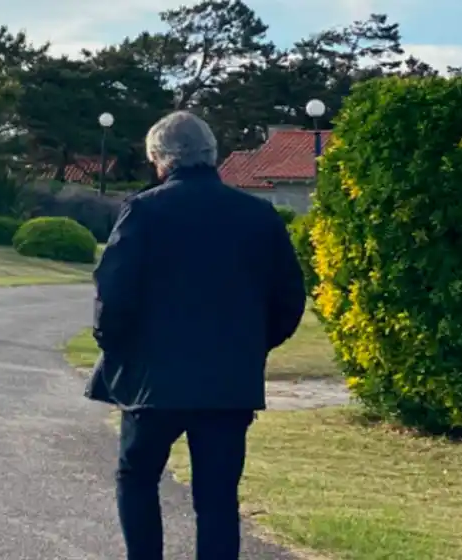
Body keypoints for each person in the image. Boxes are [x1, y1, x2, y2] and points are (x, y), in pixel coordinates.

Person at [85, 111, 305, 559]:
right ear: (212, 155)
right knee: (218, 498)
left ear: (159, 160)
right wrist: (251, 346)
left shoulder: (144, 211)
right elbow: (289, 301)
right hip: (228, 382)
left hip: (152, 380)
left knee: (138, 477)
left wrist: (114, 345)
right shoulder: (258, 216)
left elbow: (113, 294)